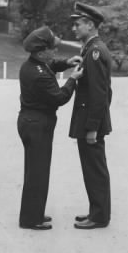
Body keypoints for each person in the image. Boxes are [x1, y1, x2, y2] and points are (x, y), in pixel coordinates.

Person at [18, 26, 83, 230]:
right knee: (37, 173)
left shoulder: (34, 64)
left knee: (37, 171)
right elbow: (60, 98)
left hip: (33, 123)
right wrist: (73, 79)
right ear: (40, 51)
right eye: (51, 49)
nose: (55, 51)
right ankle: (31, 219)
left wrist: (66, 63)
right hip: (37, 125)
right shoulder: (38, 74)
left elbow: (51, 66)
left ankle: (34, 213)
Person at [69, 2, 112, 229]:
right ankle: (96, 211)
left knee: (95, 170)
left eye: (77, 24)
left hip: (90, 123)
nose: (74, 29)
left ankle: (99, 217)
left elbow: (99, 94)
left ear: (90, 24)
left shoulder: (94, 52)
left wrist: (93, 126)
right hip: (90, 120)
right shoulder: (91, 48)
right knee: (92, 169)